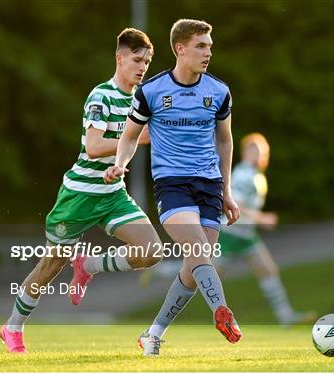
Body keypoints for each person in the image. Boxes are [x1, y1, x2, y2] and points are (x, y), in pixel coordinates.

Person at [0, 28, 162, 353]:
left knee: (152, 251)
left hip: (113, 194)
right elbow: (93, 146)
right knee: (50, 266)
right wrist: (139, 139)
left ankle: (87, 266)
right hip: (79, 195)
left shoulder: (141, 100)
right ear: (119, 58)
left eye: (146, 61)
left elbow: (156, 135)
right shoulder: (101, 95)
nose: (142, 67)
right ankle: (12, 327)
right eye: (136, 59)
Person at [103, 19, 241, 357]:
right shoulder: (151, 91)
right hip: (172, 184)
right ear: (180, 48)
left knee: (194, 268)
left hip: (209, 185)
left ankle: (152, 333)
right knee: (198, 253)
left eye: (209, 46)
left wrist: (226, 191)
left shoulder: (218, 92)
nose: (208, 52)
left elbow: (224, 141)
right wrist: (121, 163)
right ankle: (222, 311)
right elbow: (130, 136)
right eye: (201, 46)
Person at [216, 133, 315, 326]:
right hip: (230, 233)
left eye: (262, 152)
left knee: (268, 270)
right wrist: (262, 218)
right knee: (202, 274)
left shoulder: (255, 174)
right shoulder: (244, 174)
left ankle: (286, 317)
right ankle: (165, 270)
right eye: (254, 151)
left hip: (245, 235)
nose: (258, 155)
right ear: (244, 152)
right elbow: (235, 204)